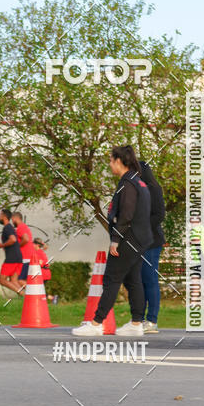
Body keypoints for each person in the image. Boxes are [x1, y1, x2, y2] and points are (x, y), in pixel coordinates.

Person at [72, 145, 152, 338]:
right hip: (140, 240)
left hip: (128, 239)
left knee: (111, 279)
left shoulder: (128, 184)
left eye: (110, 160)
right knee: (133, 280)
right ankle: (136, 323)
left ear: (118, 161)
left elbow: (126, 214)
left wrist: (115, 239)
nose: (109, 164)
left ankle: (97, 323)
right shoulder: (138, 181)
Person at [139, 160, 165, 333]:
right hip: (137, 242)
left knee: (150, 279)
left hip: (151, 242)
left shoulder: (154, 189)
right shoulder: (136, 189)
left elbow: (159, 214)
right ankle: (138, 319)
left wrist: (142, 228)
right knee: (138, 281)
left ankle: (152, 320)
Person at [0, 209, 23, 294]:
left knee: (2, 280)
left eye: (0, 215)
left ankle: (23, 294)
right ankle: (27, 297)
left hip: (12, 258)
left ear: (4, 216)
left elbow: (13, 239)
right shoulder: (10, 227)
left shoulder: (7, 228)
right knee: (14, 281)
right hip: (18, 257)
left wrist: (1, 245)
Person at [11, 211, 37, 286]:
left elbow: (26, 239)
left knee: (19, 280)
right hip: (28, 257)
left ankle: (41, 295)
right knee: (22, 280)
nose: (12, 222)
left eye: (12, 219)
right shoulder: (24, 227)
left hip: (25, 258)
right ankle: (31, 296)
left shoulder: (21, 227)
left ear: (16, 218)